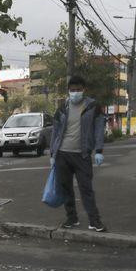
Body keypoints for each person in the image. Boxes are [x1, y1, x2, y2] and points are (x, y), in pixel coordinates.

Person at [49, 75, 107, 232]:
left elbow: (99, 129)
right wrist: (52, 154)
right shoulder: (62, 108)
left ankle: (94, 221)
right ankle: (71, 218)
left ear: (84, 90)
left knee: (86, 189)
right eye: (72, 90)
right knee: (66, 188)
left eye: (78, 90)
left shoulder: (93, 106)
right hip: (62, 154)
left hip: (82, 155)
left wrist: (99, 151)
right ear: (68, 91)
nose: (75, 93)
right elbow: (55, 131)